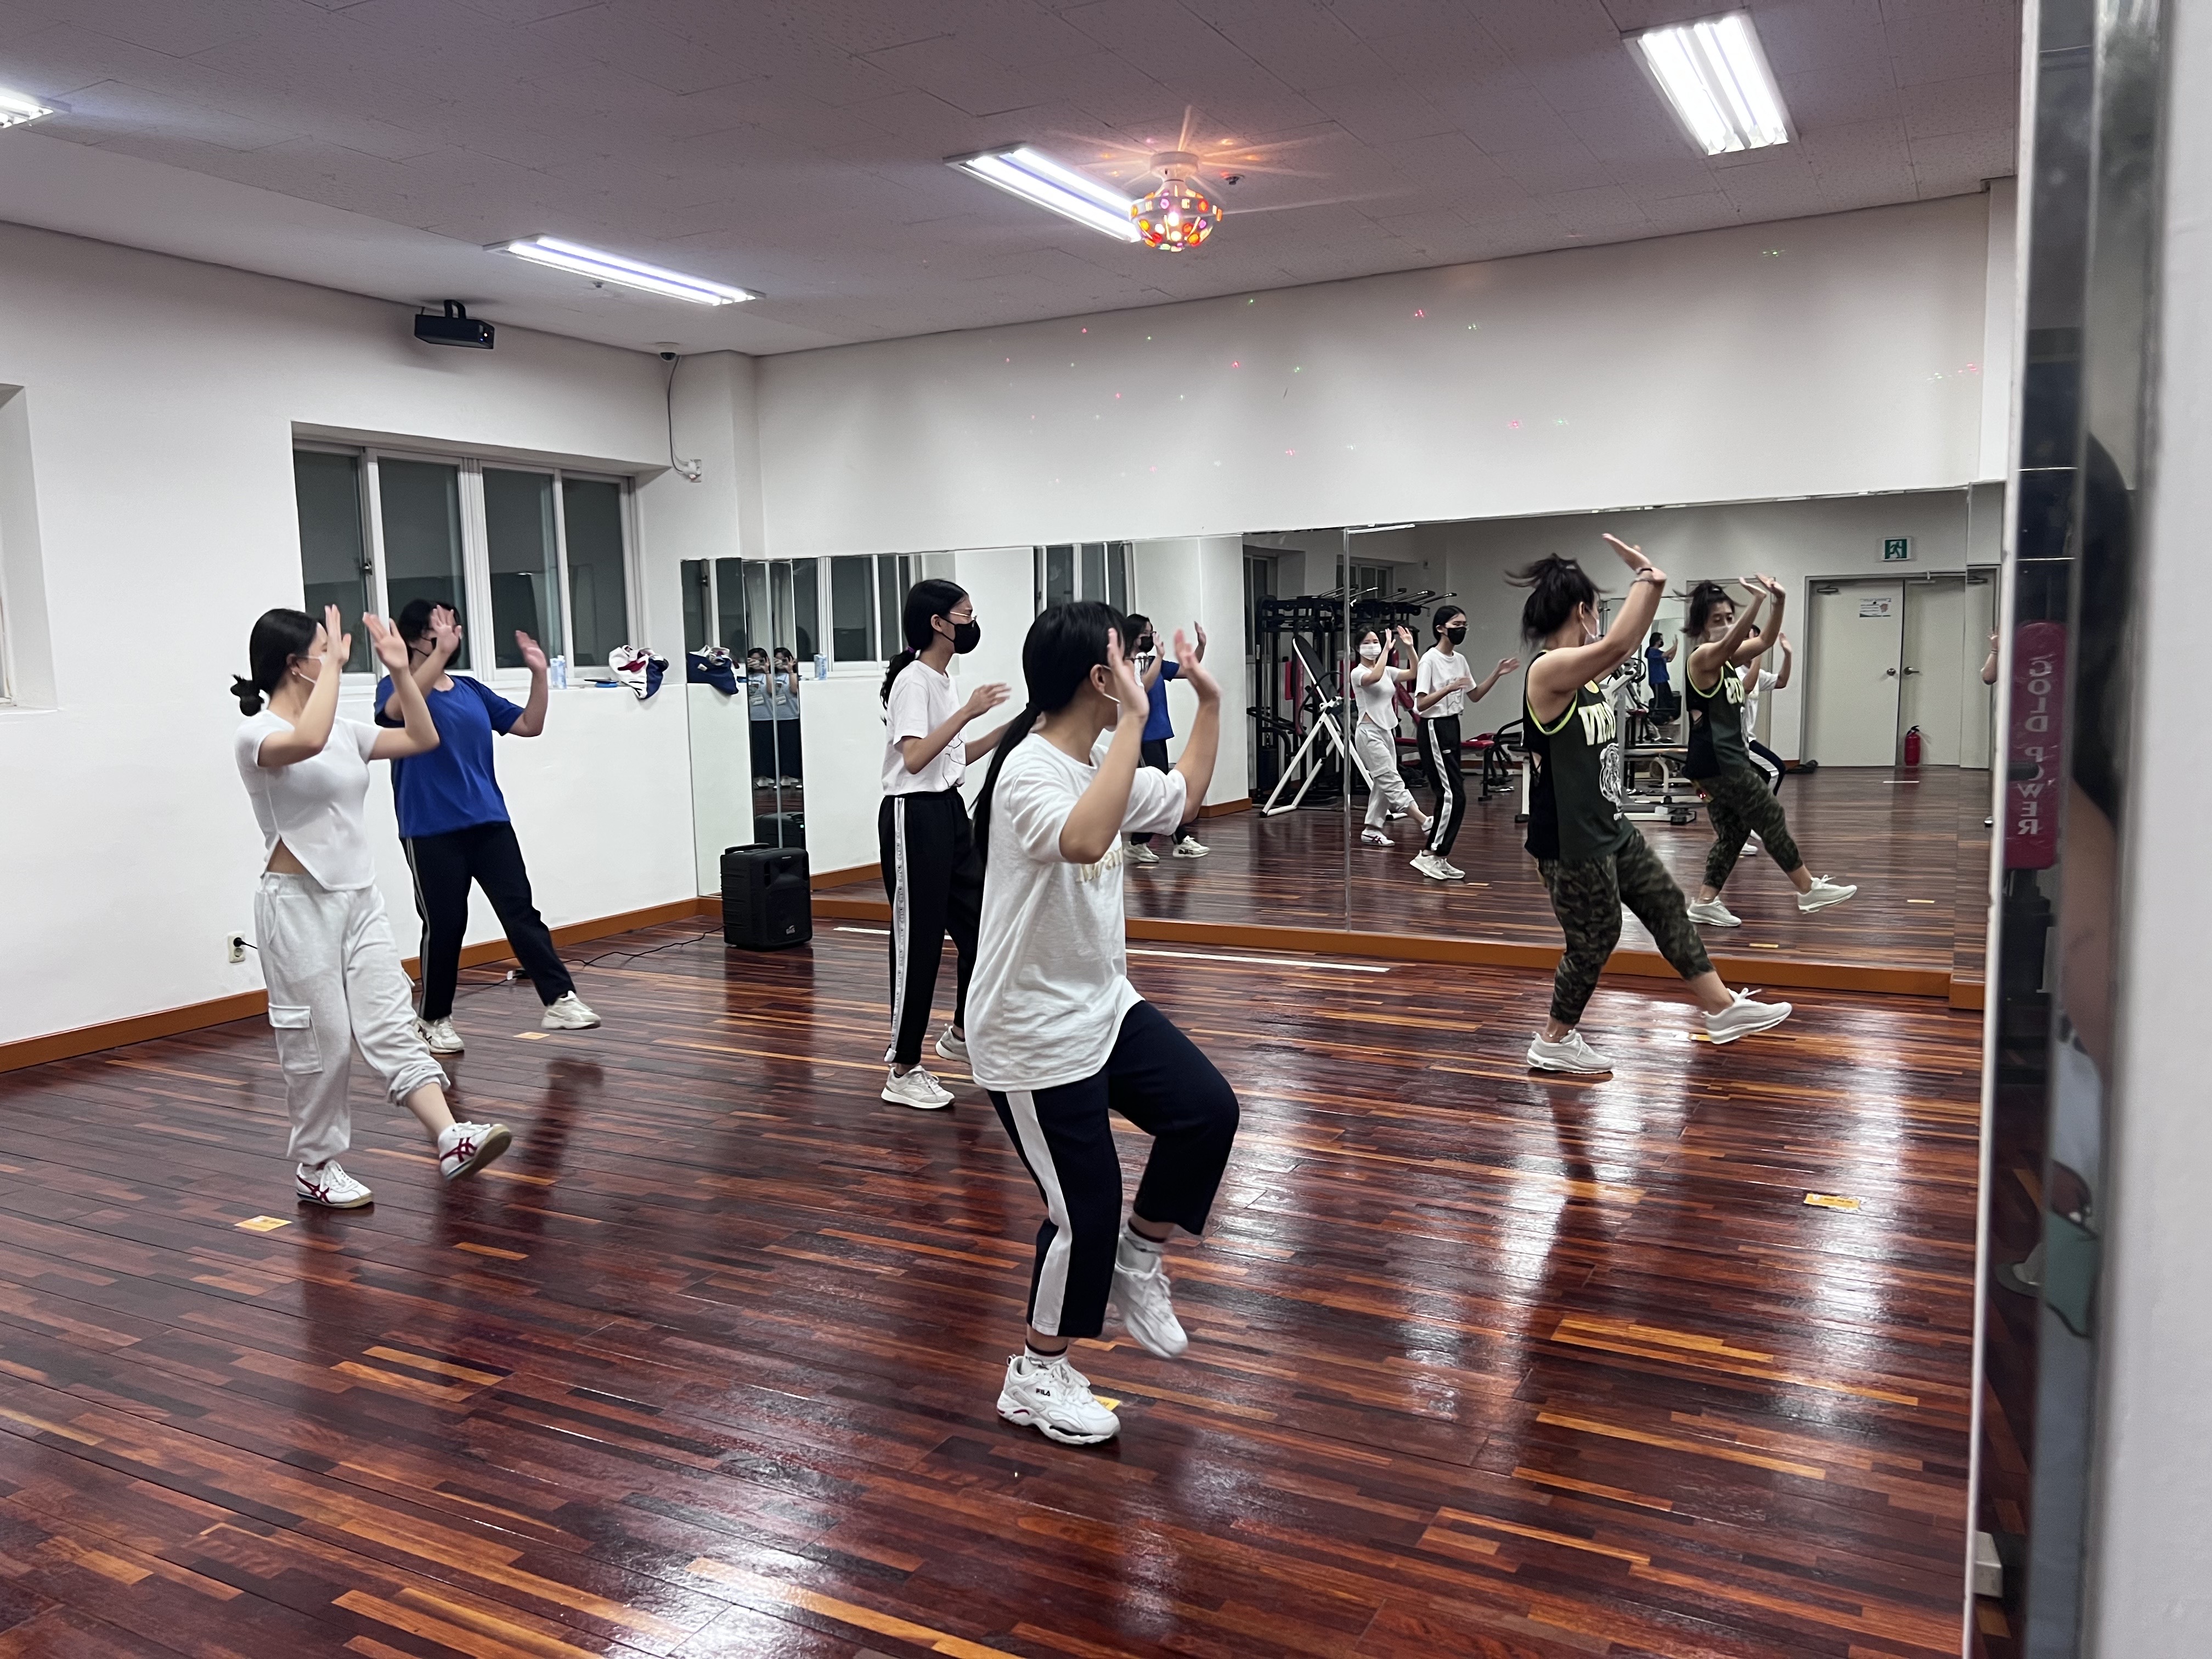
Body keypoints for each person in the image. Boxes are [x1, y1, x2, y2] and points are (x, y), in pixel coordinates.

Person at [967, 602, 1239, 1446]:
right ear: (1100, 677)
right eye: (1129, 659)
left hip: (1100, 1004)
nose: (1142, 668)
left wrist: (1209, 702)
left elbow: (1182, 796)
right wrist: (1132, 722)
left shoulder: (1096, 757)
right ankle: (1035, 1375)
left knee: (1207, 1112)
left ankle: (1139, 1257)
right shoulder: (1030, 770)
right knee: (1083, 1209)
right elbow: (1085, 839)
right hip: (1030, 1030)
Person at [231, 604, 514, 1207]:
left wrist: (402, 672)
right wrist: (336, 668)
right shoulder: (257, 734)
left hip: (360, 898)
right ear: (296, 664)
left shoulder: (346, 730)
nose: (337, 658)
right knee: (324, 1040)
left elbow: (422, 738)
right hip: (296, 906)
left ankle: (450, 1136)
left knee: (390, 1020)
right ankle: (315, 1165)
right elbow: (306, 740)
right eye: (325, 651)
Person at [1515, 543, 1795, 1073]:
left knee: (1666, 903)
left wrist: (1649, 586)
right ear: (1583, 612)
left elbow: (1625, 646)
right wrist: (1649, 578)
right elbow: (1621, 642)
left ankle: (1722, 1008)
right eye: (1594, 610)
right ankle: (1554, 1039)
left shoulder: (1584, 676)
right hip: (1571, 841)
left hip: (1611, 827)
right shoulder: (1548, 671)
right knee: (1595, 939)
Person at [375, 602, 599, 1054]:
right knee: (446, 924)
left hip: (489, 820)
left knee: (521, 912)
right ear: (416, 638)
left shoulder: (471, 689)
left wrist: (539, 675)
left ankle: (559, 999)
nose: (452, 635)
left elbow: (529, 725)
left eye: (454, 627)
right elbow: (398, 711)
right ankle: (433, 1019)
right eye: (441, 629)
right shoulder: (394, 686)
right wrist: (439, 654)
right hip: (430, 828)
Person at [878, 579, 1012, 1109]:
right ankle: (903, 1068)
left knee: (983, 927)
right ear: (938, 623)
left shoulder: (942, 679)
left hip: (949, 812)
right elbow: (914, 759)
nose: (972, 624)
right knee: (920, 943)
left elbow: (952, 757)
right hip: (913, 817)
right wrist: (968, 712)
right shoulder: (914, 681)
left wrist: (1011, 729)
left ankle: (960, 1032)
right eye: (965, 615)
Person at [1681, 578, 1857, 927]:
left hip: (1717, 764)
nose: (1727, 625)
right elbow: (1735, 640)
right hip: (1720, 764)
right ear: (1701, 627)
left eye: (1730, 617)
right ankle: (1807, 889)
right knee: (1771, 814)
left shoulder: (1727, 661)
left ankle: (1704, 903)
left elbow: (1764, 641)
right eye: (1717, 620)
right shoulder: (1702, 657)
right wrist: (1757, 602)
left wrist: (1779, 601)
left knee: (1733, 834)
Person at [1412, 604, 1517, 882]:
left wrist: (1497, 673)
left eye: (1464, 625)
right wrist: (1447, 688)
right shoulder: (1429, 660)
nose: (1462, 630)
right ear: (1440, 628)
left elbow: (1474, 695)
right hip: (1434, 727)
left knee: (1456, 795)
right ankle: (1430, 854)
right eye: (1457, 625)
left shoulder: (1459, 660)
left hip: (1452, 726)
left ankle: (1440, 856)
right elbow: (1420, 705)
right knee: (1452, 795)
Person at [1122, 613, 1209, 864]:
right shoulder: (1128, 665)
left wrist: (1201, 645)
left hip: (1159, 733)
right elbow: (1143, 688)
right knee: (1162, 788)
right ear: (1135, 637)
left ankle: (1140, 843)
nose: (1153, 637)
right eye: (1147, 633)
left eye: (1153, 632)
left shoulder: (1153, 662)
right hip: (1142, 736)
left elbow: (1189, 669)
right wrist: (1159, 657)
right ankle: (1179, 840)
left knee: (1160, 788)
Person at [1352, 625, 1431, 848]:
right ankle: (1424, 821)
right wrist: (1386, 650)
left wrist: (1410, 648)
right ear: (1357, 648)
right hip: (1368, 733)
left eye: (1375, 642)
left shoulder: (1387, 670)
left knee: (1383, 782)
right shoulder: (1357, 673)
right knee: (1390, 779)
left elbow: (1413, 673)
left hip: (1385, 731)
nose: (1372, 646)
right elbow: (1374, 677)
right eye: (1366, 643)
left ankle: (1371, 830)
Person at [1740, 632, 1793, 794]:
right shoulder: (1734, 671)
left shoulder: (1756, 673)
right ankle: (1766, 809)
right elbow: (1747, 686)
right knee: (1774, 771)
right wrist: (1757, 656)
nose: (1755, 646)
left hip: (1747, 739)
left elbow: (1781, 682)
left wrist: (1788, 656)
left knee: (1762, 775)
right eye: (1751, 642)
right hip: (1736, 741)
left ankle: (1755, 807)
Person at [771, 646, 804, 785]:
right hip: (774, 717)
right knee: (778, 749)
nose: (780, 662)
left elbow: (794, 690)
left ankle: (795, 775)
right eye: (777, 660)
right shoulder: (771, 676)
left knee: (792, 748)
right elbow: (769, 691)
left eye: (783, 659)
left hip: (792, 716)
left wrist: (790, 671)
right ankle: (781, 776)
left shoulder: (794, 675)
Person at [744, 646, 776, 787]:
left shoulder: (768, 676)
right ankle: (756, 775)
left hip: (767, 717)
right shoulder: (746, 676)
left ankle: (767, 775)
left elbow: (772, 691)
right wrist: (745, 668)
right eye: (753, 660)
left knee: (766, 749)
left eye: (760, 660)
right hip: (750, 718)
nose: (756, 663)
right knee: (754, 749)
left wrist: (767, 670)